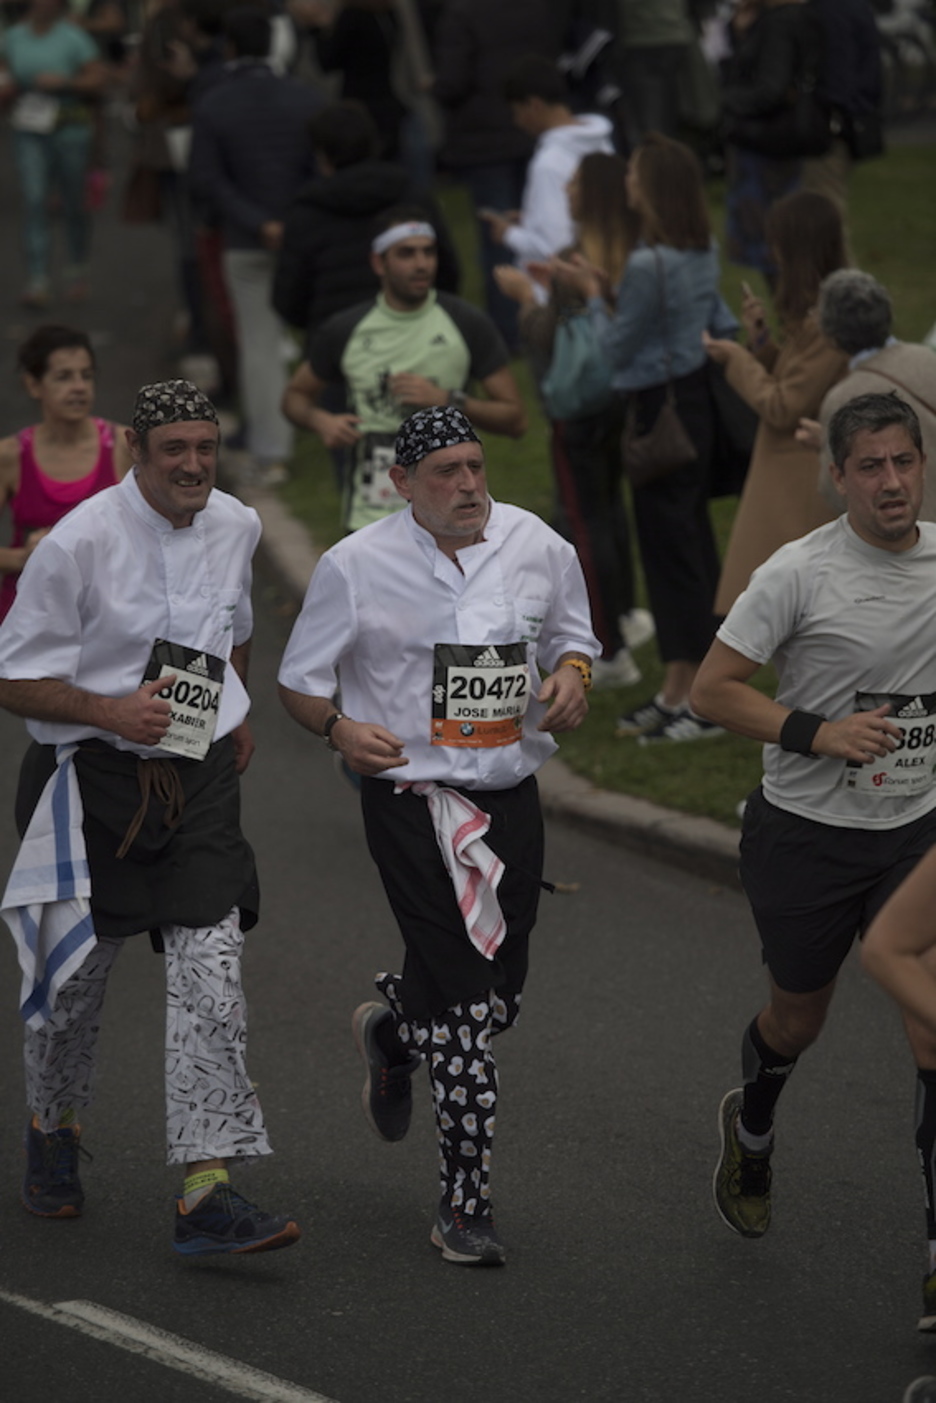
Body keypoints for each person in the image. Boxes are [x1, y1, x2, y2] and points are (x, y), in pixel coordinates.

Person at [277, 404, 598, 1265]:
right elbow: (300, 685)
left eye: (474, 466)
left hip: (510, 796)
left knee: (501, 999)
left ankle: (392, 1032)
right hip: (411, 801)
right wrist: (340, 729)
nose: (467, 485)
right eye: (445, 473)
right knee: (462, 1004)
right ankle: (465, 1202)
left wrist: (573, 677)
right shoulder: (355, 566)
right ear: (401, 484)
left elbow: (575, 639)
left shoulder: (537, 544)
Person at [0, 378, 300, 1258]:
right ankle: (53, 1127)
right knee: (76, 990)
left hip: (197, 781)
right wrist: (109, 711)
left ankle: (207, 1190)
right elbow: (12, 676)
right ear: (137, 445)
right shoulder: (80, 542)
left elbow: (232, 627)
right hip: (89, 780)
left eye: (206, 448)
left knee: (211, 976)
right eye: (175, 449)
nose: (194, 465)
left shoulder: (237, 524)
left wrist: (233, 711)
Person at [689, 392, 936, 1330]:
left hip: (918, 829)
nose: (890, 482)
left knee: (930, 1028)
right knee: (800, 1016)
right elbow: (714, 691)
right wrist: (818, 731)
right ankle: (753, 1125)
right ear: (838, 476)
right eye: (869, 466)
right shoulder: (798, 572)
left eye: (903, 462)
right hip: (807, 834)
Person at [552, 131, 739, 741]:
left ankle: (700, 698)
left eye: (634, 173)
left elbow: (615, 349)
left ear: (651, 186)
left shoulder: (646, 262)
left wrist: (591, 297)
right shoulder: (698, 249)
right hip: (694, 408)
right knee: (686, 551)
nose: (626, 182)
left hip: (656, 414)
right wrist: (611, 294)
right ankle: (679, 687)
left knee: (672, 558)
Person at [494, 149, 652, 688]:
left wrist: (524, 298)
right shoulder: (636, 251)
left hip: (579, 412)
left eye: (576, 182)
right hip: (624, 403)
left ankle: (606, 649)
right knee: (613, 512)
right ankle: (627, 613)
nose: (566, 191)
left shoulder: (573, 258)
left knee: (585, 524)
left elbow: (549, 338)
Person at [282, 207, 526, 532]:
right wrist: (320, 420)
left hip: (451, 517)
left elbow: (516, 419)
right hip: (371, 520)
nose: (422, 264)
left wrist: (446, 399)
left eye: (428, 252)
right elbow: (295, 397)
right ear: (378, 263)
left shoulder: (466, 323)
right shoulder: (346, 329)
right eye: (406, 254)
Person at [188, 5, 323, 486]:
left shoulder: (213, 103)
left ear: (230, 48)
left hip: (245, 241)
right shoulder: (305, 99)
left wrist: (257, 221)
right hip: (304, 238)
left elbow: (206, 179)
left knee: (260, 344)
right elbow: (318, 167)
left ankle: (272, 448)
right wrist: (291, 220)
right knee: (321, 335)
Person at [704, 189, 848, 617]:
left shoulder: (827, 323)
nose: (773, 252)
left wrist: (738, 358)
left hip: (799, 484)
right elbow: (797, 379)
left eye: (778, 241)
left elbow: (784, 406)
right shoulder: (820, 315)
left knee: (796, 614)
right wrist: (763, 344)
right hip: (791, 476)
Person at [431, 0, 566, 351]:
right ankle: (554, 315)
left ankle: (512, 330)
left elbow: (453, 80)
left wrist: (434, 87)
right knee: (537, 228)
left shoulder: (461, 14)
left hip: (483, 140)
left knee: (499, 237)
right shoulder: (533, 8)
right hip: (526, 132)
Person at [271, 98, 459, 337]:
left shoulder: (307, 213)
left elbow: (289, 298)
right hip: (412, 334)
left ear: (322, 155)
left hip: (336, 341)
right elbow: (447, 271)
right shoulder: (412, 196)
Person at [0, 324, 132, 622]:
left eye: (86, 375)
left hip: (107, 620)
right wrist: (24, 557)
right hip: (27, 621)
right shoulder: (10, 456)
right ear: (34, 385)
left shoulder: (125, 447)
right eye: (64, 377)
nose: (79, 387)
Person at [800, 269, 936, 523]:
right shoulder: (927, 358)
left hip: (917, 538)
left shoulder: (842, 399)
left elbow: (837, 492)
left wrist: (827, 447)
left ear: (831, 334)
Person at [0, 0, 108, 307]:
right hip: (29, 128)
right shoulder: (14, 37)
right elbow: (4, 73)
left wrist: (66, 81)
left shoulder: (73, 37)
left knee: (74, 202)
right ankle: (38, 279)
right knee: (34, 200)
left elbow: (99, 78)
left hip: (70, 128)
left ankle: (77, 268)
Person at [719, 0, 829, 281]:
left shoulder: (779, 23)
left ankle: (793, 315)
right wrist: (741, 33)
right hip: (781, 144)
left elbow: (771, 88)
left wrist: (723, 102)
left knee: (774, 247)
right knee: (782, 243)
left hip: (766, 145)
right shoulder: (800, 17)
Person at [481, 55, 614, 273]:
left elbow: (555, 248)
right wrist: (532, 218)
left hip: (563, 291)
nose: (517, 121)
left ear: (534, 105)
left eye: (517, 111)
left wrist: (508, 234)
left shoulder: (549, 162)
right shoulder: (602, 144)